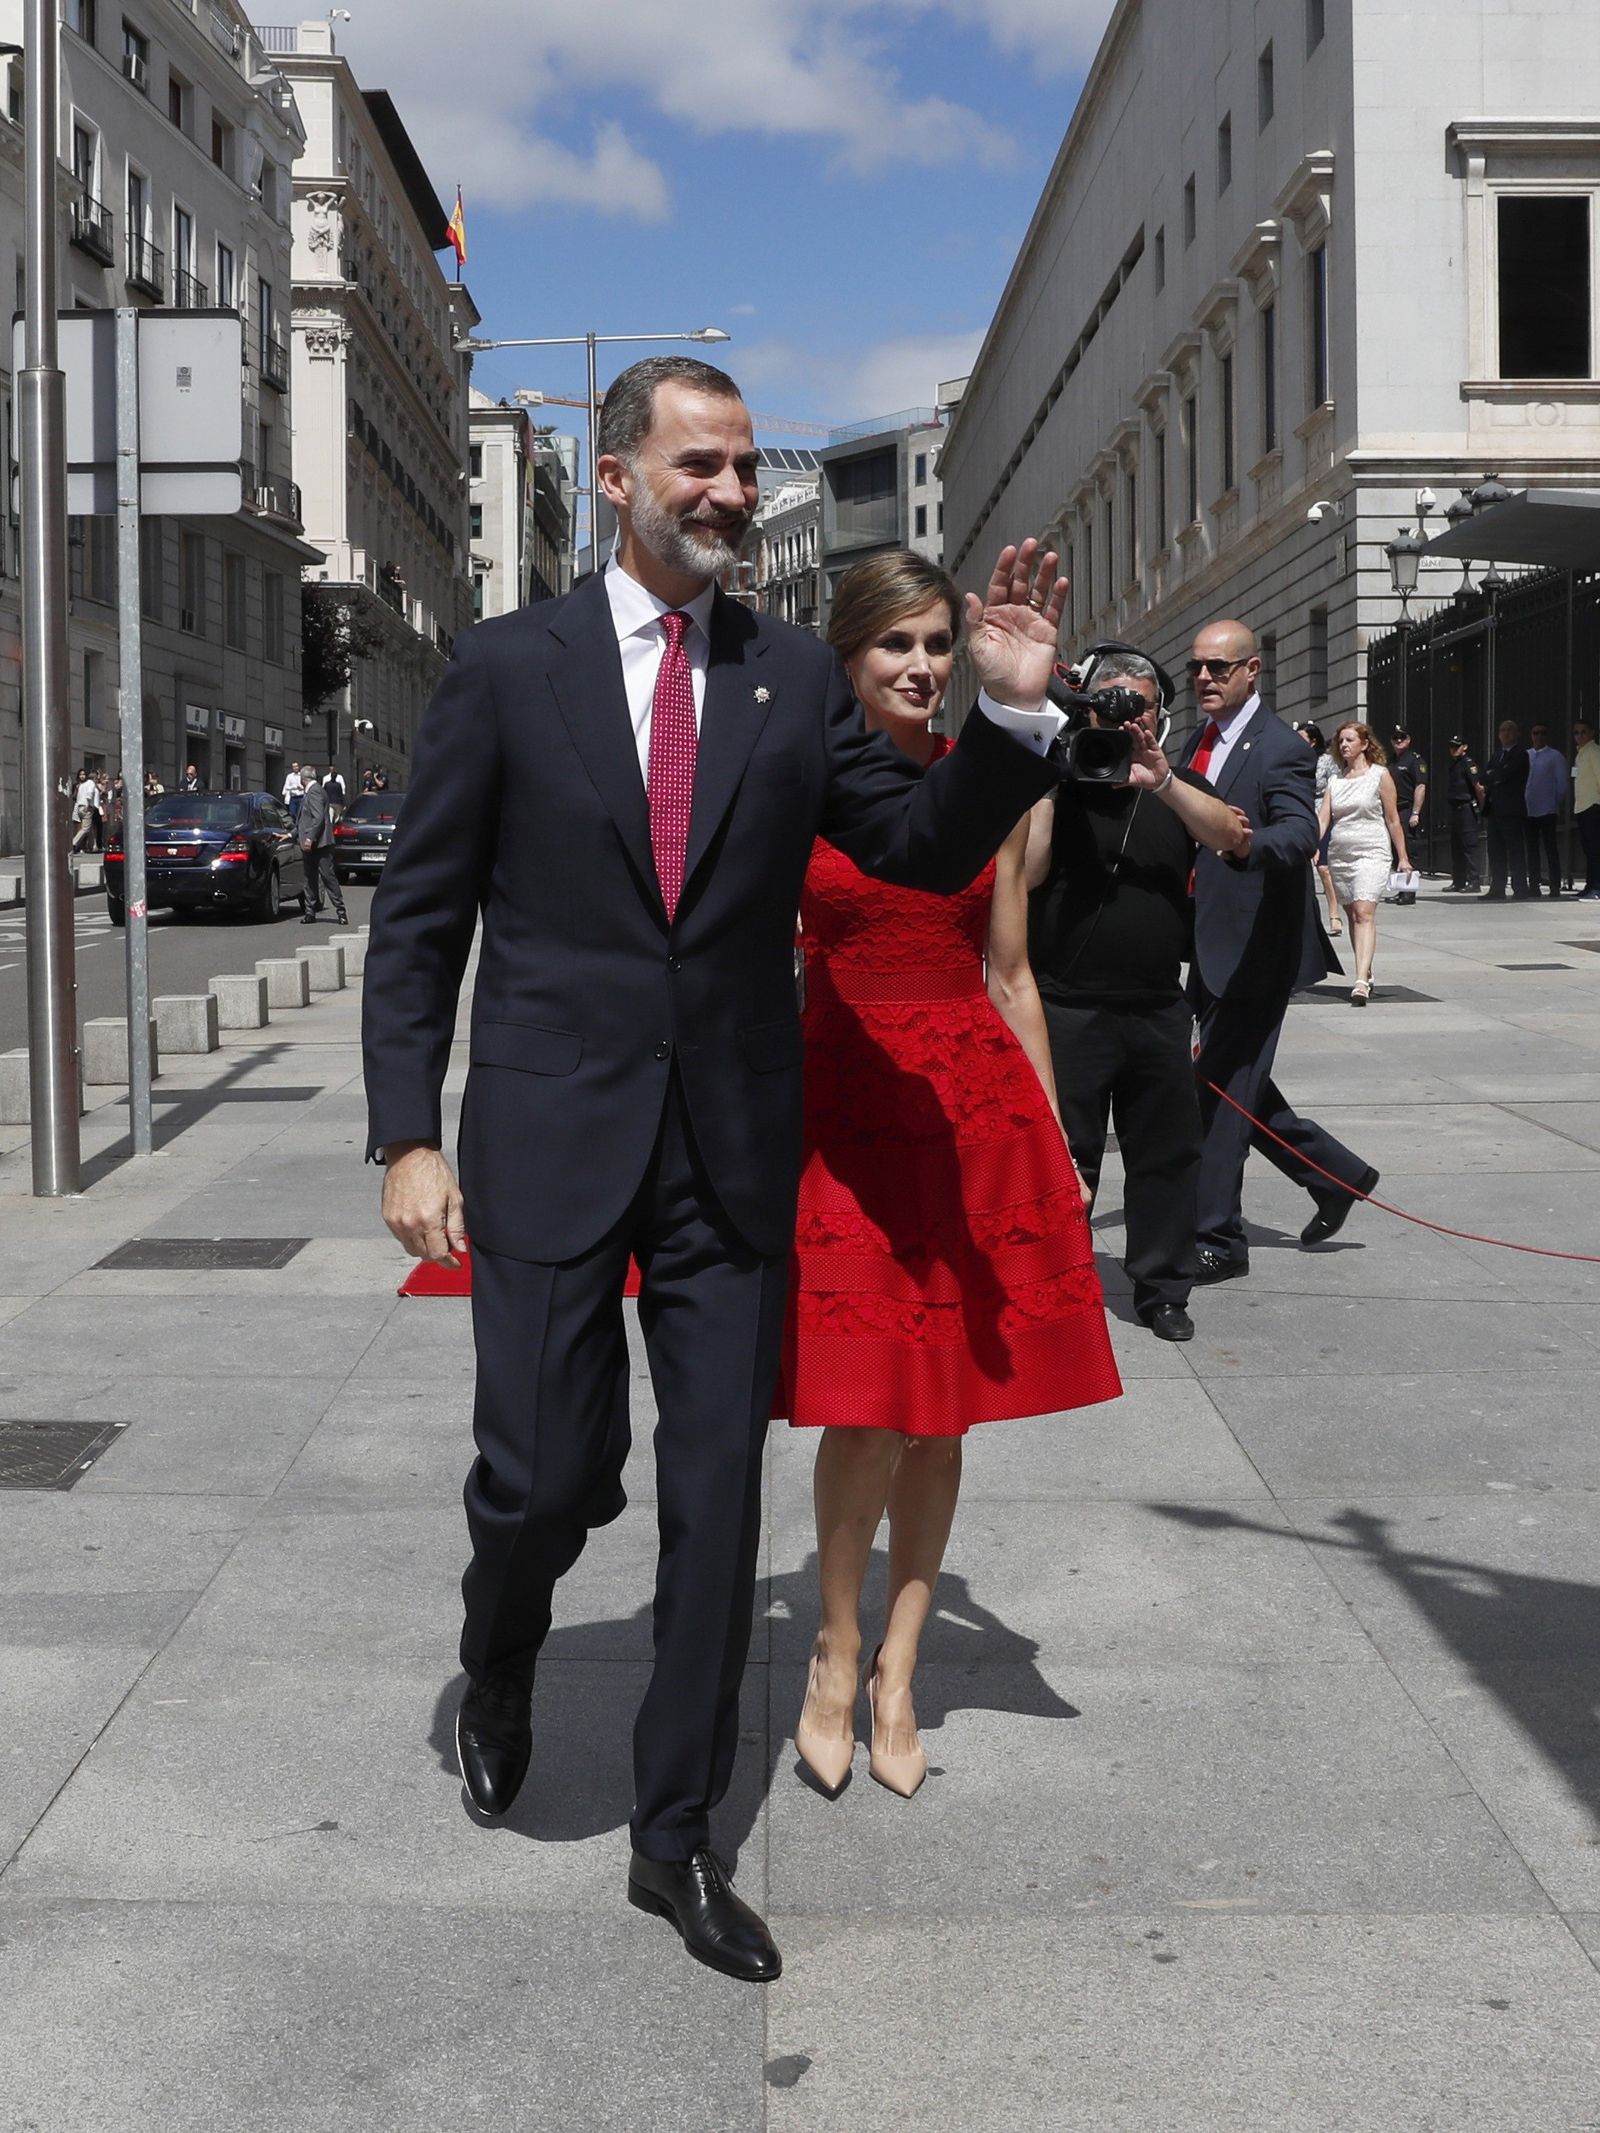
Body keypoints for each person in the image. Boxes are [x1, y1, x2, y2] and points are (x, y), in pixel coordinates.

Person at [363, 354, 1070, 1985]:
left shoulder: (788, 678)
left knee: (709, 1504)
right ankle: (504, 1649)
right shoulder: (501, 667)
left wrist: (1014, 713)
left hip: (738, 1151)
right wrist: (405, 1128)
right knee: (547, 1478)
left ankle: (672, 1837)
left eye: (749, 467)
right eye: (702, 463)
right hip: (550, 1129)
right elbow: (419, 923)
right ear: (617, 477)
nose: (734, 492)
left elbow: (913, 845)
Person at [775, 555, 1121, 1812]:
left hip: (968, 1110)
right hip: (844, 1106)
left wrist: (1058, 1142)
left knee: (942, 1412)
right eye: (895, 648)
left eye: (936, 644)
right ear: (846, 658)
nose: (921, 668)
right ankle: (834, 1648)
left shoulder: (998, 791)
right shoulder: (796, 781)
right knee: (862, 1404)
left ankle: (902, 1673)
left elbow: (1012, 973)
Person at [1027, 648, 1252, 1343]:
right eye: (1109, 706)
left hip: (1156, 1007)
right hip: (1068, 1007)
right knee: (1065, 1157)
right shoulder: (1058, 787)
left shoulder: (1174, 784)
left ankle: (1161, 1288)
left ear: (1160, 714)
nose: (1124, 720)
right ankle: (1053, 1285)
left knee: (1165, 1155)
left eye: (1141, 706)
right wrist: (1048, 777)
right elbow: (1028, 874)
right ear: (1085, 711)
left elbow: (1236, 837)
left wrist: (1163, 784)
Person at [1180, 621, 1379, 1282]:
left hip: (1258, 947)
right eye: (1197, 669)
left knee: (1216, 1092)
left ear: (1252, 671)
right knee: (1239, 1085)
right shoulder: (1198, 741)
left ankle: (1218, 1239)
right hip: (1208, 946)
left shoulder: (1277, 750)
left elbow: (1297, 836)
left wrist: (1243, 844)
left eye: (1219, 667)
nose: (1205, 678)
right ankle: (1336, 1175)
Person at [1321, 722, 1410, 1006]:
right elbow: (1323, 818)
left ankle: (1360, 981)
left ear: (1365, 743)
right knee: (1353, 916)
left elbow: (1393, 818)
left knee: (1364, 911)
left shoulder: (1379, 775)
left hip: (1373, 850)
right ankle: (1365, 968)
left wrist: (1403, 857)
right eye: (1341, 741)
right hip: (1341, 854)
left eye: (1349, 740)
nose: (1344, 745)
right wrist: (1311, 844)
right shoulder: (1335, 781)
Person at [1293, 719, 1342, 935]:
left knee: (1323, 868)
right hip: (1299, 814)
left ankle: (1334, 914)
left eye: (1301, 738)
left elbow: (1334, 789)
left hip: (1323, 815)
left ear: (1313, 741)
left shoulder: (1327, 761)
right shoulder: (1291, 758)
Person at [1482, 719, 1531, 899]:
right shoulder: (1497, 755)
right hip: (1494, 809)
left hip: (1511, 810)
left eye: (1510, 730)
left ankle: (1520, 888)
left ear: (1517, 734)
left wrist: (1495, 775)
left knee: (1515, 849)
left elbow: (1506, 774)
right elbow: (1483, 777)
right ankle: (1497, 888)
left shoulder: (1520, 754)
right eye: (1502, 730)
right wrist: (1495, 775)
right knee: (1495, 850)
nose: (1506, 733)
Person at [296, 766, 348, 926]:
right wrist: (291, 834)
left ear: (303, 779)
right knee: (309, 878)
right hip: (312, 843)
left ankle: (341, 911)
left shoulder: (315, 792)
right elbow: (304, 819)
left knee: (327, 876)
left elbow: (318, 818)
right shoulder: (312, 791)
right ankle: (310, 912)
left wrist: (310, 838)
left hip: (320, 843)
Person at [1523, 723, 1567, 898]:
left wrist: (1554, 802)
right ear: (1531, 735)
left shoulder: (1555, 756)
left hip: (1547, 809)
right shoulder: (1525, 755)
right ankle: (1534, 885)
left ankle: (1555, 885)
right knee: (1532, 850)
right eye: (1535, 733)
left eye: (1542, 733)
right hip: (1528, 809)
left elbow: (1562, 784)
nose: (1539, 736)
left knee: (1550, 848)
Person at [1387, 727, 1427, 899]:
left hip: (1407, 808)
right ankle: (1402, 889)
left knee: (1409, 850)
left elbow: (1420, 786)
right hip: (1393, 810)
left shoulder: (1414, 760)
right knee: (1397, 851)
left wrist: (1416, 812)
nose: (1398, 741)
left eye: (1402, 738)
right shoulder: (1390, 761)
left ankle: (1409, 892)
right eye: (1395, 738)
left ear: (1408, 740)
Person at [1442, 736, 1485, 893]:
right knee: (1457, 846)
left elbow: (1478, 787)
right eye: (1452, 746)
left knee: (1469, 845)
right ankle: (1458, 881)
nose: (1454, 749)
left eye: (1457, 746)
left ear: (1464, 747)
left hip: (1466, 808)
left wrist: (1482, 808)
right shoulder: (1454, 765)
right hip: (1455, 808)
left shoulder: (1468, 764)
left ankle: (1474, 881)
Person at [1573, 719, 1600, 899]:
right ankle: (1590, 885)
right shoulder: (1580, 753)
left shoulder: (1593, 751)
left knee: (1595, 849)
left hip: (1593, 805)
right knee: (1588, 849)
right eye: (1576, 732)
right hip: (1582, 806)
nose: (1580, 736)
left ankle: (1596, 887)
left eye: (1583, 732)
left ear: (1591, 733)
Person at [69, 768, 99, 853]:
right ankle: (73, 843)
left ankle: (93, 846)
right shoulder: (91, 784)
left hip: (79, 807)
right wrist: (88, 804)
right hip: (87, 807)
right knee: (85, 828)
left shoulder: (81, 785)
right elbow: (89, 794)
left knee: (89, 828)